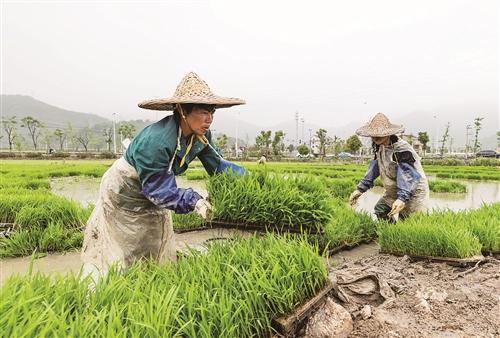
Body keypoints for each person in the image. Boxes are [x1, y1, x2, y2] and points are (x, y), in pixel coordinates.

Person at [81, 72, 246, 280]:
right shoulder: (157, 141)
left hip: (154, 190)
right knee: (120, 247)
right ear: (182, 111)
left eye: (212, 112)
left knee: (155, 242)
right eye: (204, 112)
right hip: (126, 192)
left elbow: (217, 165)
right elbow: (159, 191)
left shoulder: (201, 136)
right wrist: (194, 200)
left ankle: (149, 284)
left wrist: (247, 180)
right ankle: (105, 291)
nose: (209, 119)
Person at [349, 113, 429, 220]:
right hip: (395, 190)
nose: (376, 136)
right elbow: (375, 168)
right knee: (381, 209)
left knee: (407, 221)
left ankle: (398, 234)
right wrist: (360, 189)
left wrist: (402, 198)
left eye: (380, 134)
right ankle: (389, 232)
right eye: (373, 134)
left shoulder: (401, 149)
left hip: (412, 191)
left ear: (388, 134)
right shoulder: (380, 147)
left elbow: (407, 175)